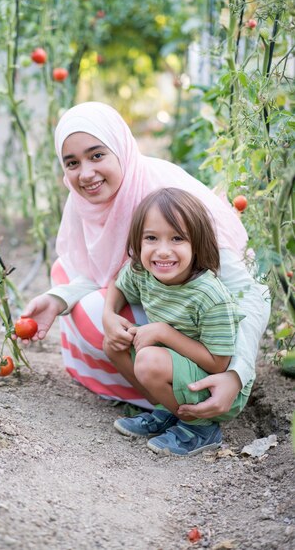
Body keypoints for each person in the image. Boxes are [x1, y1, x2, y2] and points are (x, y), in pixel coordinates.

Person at [22, 102, 270, 424]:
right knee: (75, 286)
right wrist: (58, 300)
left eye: (97, 155)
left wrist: (236, 374)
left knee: (95, 312)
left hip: (210, 324)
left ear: (121, 149)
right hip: (166, 296)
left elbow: (252, 293)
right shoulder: (85, 203)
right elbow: (102, 270)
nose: (85, 174)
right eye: (72, 162)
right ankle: (163, 405)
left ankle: (196, 399)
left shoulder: (167, 202)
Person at [104, 187, 247, 455]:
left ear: (197, 243)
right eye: (151, 238)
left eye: (177, 238)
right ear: (138, 241)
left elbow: (219, 363)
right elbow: (119, 286)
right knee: (113, 343)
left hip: (213, 383)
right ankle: (166, 410)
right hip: (177, 365)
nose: (163, 251)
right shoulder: (142, 272)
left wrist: (163, 332)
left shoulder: (209, 295)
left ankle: (201, 427)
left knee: (148, 361)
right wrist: (109, 316)